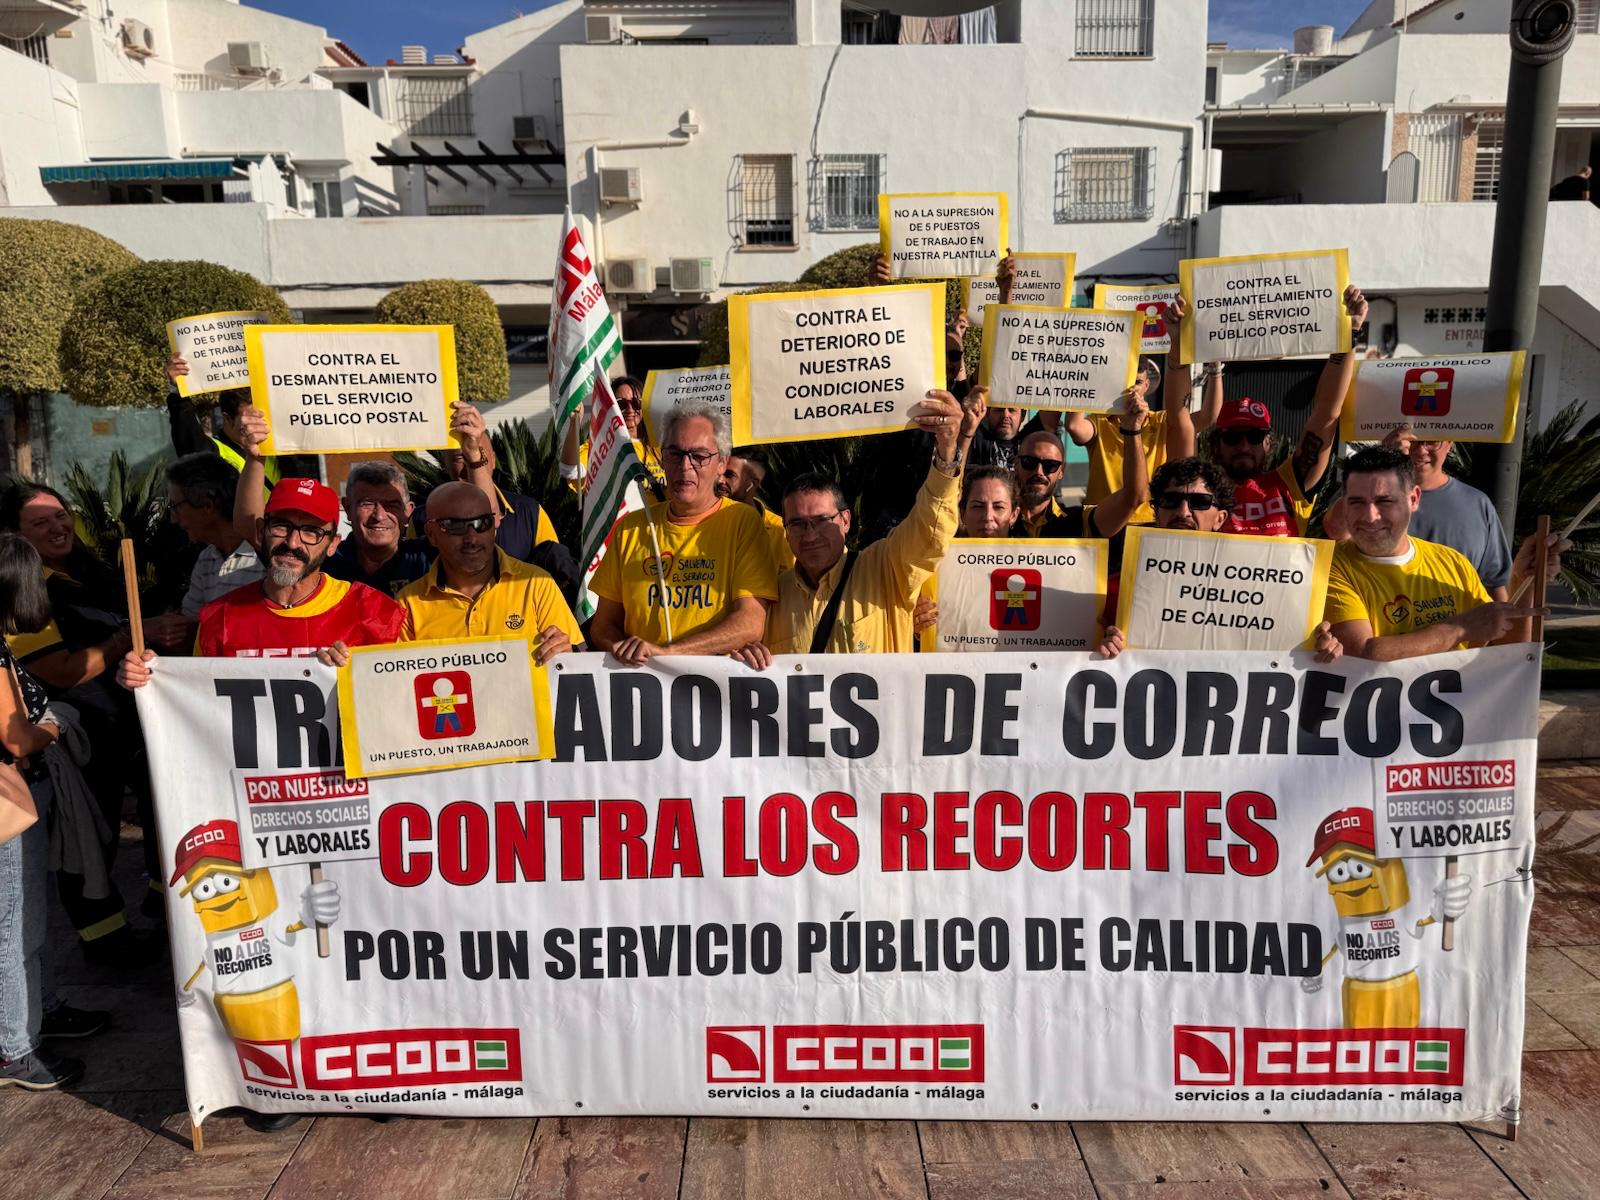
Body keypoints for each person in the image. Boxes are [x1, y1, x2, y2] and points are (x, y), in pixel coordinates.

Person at [0, 483, 149, 963]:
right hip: (74, 740)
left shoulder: (86, 570)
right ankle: (103, 943)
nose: (57, 528)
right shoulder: (23, 588)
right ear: (15, 537)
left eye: (60, 516)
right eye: (39, 523)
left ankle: (133, 924)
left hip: (119, 728)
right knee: (87, 842)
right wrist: (126, 636)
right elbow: (62, 670)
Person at [736, 389, 976, 661]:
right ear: (786, 532)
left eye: (821, 520)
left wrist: (946, 452)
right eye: (798, 524)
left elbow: (930, 527)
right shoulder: (772, 600)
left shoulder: (886, 568)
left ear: (845, 520)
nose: (810, 534)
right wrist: (746, 657)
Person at [1, 534, 110, 1090]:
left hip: (16, 797)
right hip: (8, 800)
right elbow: (16, 739)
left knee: (19, 918)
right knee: (14, 925)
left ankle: (32, 1013)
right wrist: (57, 722)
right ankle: (13, 1047)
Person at [118, 477, 405, 680]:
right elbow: (198, 701)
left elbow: (400, 705)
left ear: (332, 544)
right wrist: (148, 679)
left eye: (311, 531)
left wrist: (359, 677)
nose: (292, 543)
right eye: (281, 526)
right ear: (261, 531)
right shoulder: (219, 617)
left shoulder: (375, 612)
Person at [233, 404, 503, 597]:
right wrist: (256, 458)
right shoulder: (325, 556)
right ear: (347, 508)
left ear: (408, 512)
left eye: (391, 505)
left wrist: (473, 455)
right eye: (366, 503)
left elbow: (485, 523)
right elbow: (251, 528)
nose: (378, 515)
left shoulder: (428, 556)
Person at [1165, 288, 1369, 538]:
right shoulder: (1198, 488)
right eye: (1232, 437)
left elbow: (1326, 413)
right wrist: (1178, 345)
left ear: (1269, 442)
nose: (1243, 445)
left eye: (1254, 437)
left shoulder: (1291, 482)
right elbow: (1179, 423)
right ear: (1216, 443)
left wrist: (1349, 335)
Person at [1322, 448, 1561, 661]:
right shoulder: (1328, 566)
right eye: (1356, 503)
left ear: (1413, 499)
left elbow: (1505, 649)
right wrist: (1459, 629)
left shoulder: (1452, 562)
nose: (1370, 516)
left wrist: (1526, 580)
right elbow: (1362, 655)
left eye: (1385, 501)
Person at [1096, 458, 1343, 661]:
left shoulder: (1275, 591)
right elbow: (1084, 657)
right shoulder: (1115, 590)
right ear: (1156, 511)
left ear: (1220, 518)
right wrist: (1105, 647)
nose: (1183, 512)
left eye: (1199, 502)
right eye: (1171, 500)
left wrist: (1320, 646)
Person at [589, 402, 778, 664]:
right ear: (662, 458)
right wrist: (624, 649)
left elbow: (750, 623)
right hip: (644, 689)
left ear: (721, 464)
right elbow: (602, 626)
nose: (685, 466)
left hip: (714, 692)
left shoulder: (742, 522)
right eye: (675, 454)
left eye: (699, 456)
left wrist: (667, 655)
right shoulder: (630, 528)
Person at [1324, 425, 1512, 600]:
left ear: (1449, 444)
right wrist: (1385, 460)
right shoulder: (1358, 490)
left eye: (1432, 441)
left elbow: (1494, 584)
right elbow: (1336, 532)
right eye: (1411, 440)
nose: (1421, 450)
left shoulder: (1477, 504)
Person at [165, 353, 317, 492]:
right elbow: (187, 434)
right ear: (228, 418)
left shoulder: (279, 452)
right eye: (250, 418)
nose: (259, 424)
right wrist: (177, 392)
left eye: (262, 416)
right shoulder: (213, 453)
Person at [1011, 392, 1149, 540]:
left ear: (1062, 471)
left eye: (1050, 465)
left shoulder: (1080, 522)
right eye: (1029, 462)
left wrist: (1132, 430)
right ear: (1016, 464)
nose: (1039, 472)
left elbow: (1134, 497)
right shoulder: (996, 518)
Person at [159, 454, 264, 644]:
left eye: (175, 507)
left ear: (207, 505)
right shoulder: (207, 559)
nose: (174, 519)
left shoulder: (267, 557)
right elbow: (189, 630)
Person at [560, 374, 667, 501]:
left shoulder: (660, 444)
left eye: (636, 402)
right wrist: (574, 424)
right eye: (621, 404)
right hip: (627, 521)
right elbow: (570, 470)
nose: (630, 409)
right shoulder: (602, 445)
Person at [719, 446, 794, 570]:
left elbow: (790, 581)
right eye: (719, 473)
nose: (720, 480)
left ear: (752, 484)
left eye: (729, 475)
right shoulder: (703, 520)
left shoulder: (780, 531)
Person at [957, 466, 1020, 539]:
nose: (988, 517)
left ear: (1013, 515)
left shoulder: (1032, 549)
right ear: (963, 513)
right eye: (978, 506)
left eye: (999, 507)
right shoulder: (944, 549)